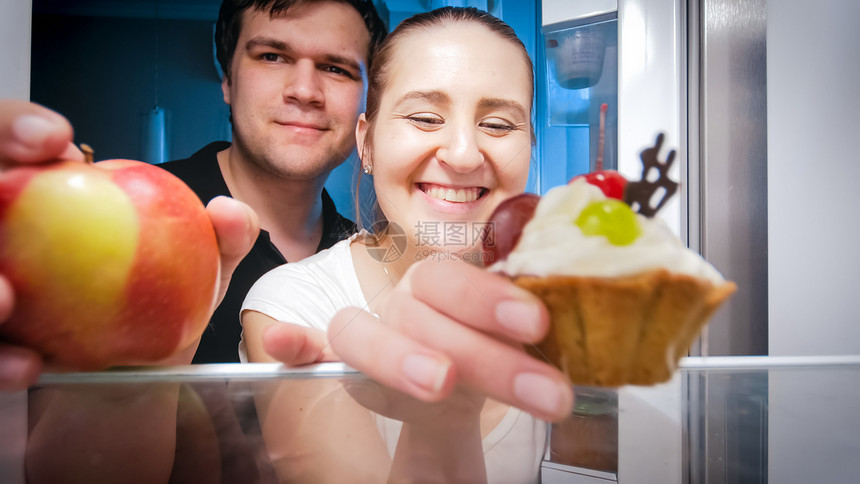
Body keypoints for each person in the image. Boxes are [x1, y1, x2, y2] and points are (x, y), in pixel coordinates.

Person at [240, 7, 574, 482]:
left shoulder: (560, 301)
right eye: (424, 117)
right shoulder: (296, 305)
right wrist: (442, 423)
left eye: (498, 125)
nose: (462, 154)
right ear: (368, 143)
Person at [159, 0, 387, 363]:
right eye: (272, 57)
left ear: (367, 104)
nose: (304, 90)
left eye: (335, 68)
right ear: (228, 82)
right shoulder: (130, 213)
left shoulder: (365, 261)